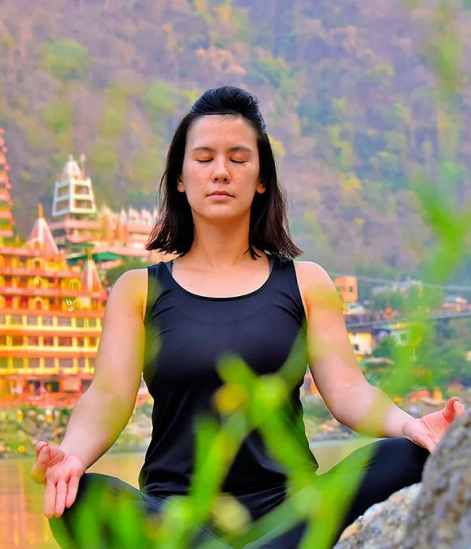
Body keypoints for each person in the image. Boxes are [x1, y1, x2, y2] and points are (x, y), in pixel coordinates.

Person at [31, 86, 466, 548]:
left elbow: (348, 391)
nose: (221, 171)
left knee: (406, 457)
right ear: (180, 178)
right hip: (176, 521)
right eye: (204, 158)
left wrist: (409, 425)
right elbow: (108, 397)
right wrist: (71, 457)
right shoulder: (138, 290)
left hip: (292, 513)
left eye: (238, 159)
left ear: (261, 179)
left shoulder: (306, 283)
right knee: (79, 497)